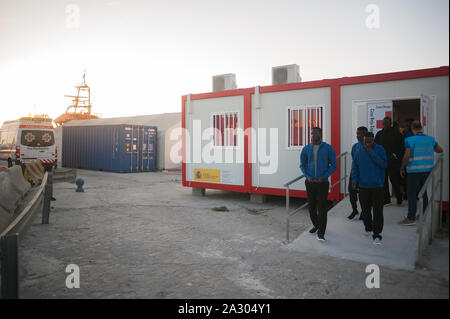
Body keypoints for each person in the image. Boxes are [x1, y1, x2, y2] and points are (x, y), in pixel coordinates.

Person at [398, 121, 443, 226]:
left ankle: (411, 218)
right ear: (421, 128)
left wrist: (401, 167)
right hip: (427, 171)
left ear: (412, 129)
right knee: (423, 193)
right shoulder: (430, 139)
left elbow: (407, 155)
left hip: (414, 171)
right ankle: (423, 215)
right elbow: (440, 150)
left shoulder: (409, 140)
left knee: (411, 194)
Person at [300, 127, 337, 242]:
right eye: (311, 133)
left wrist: (324, 176)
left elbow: (334, 165)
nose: (312, 135)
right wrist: (307, 176)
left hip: (323, 183)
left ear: (320, 134)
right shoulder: (306, 149)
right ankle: (316, 225)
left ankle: (321, 232)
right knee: (311, 207)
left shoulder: (328, 148)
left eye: (315, 133)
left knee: (322, 208)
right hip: (310, 182)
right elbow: (302, 165)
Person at [352, 131, 387, 245]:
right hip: (363, 186)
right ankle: (368, 228)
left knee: (378, 211)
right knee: (365, 210)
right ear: (363, 140)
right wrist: (354, 180)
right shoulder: (358, 151)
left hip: (377, 186)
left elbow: (384, 164)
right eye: (365, 142)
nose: (367, 144)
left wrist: (371, 152)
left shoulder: (380, 149)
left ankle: (377, 234)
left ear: (373, 140)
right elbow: (355, 167)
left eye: (370, 142)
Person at [375, 117, 404, 205]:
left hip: (393, 161)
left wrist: (395, 155)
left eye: (387, 123)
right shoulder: (379, 134)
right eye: (384, 123)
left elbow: (401, 147)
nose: (385, 125)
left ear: (390, 123)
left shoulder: (397, 134)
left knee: (394, 180)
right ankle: (386, 199)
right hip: (382, 161)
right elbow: (375, 146)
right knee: (384, 181)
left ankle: (399, 198)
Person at [348, 126, 368, 220]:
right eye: (357, 133)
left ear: (365, 134)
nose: (357, 136)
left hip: (364, 174)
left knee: (363, 195)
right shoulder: (355, 146)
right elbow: (354, 160)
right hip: (354, 173)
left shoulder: (369, 146)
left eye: (359, 133)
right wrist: (352, 172)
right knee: (352, 193)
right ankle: (354, 210)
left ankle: (364, 212)